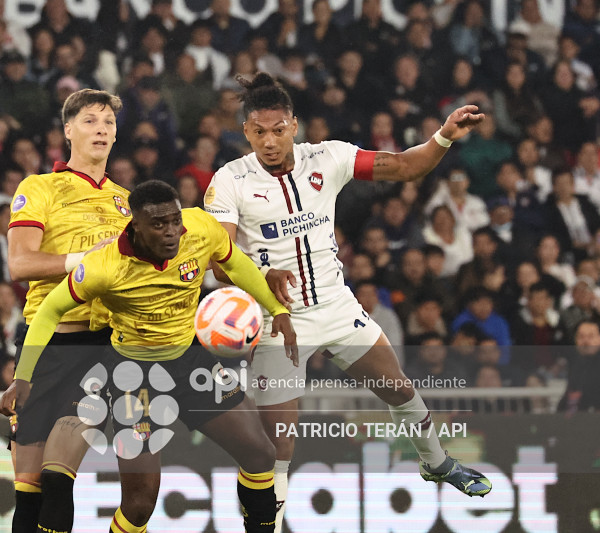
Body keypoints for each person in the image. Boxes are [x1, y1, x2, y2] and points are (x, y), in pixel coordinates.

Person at [206, 73, 492, 532]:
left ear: (294, 125)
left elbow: (403, 166)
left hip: (336, 307)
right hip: (277, 319)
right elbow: (220, 259)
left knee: (399, 389)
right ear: (246, 131)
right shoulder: (230, 180)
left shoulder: (329, 157)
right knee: (277, 451)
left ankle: (436, 463)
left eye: (278, 129)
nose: (270, 141)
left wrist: (442, 137)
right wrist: (261, 277)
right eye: (259, 132)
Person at [1, 180, 296, 533]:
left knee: (261, 454)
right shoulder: (103, 267)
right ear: (135, 226)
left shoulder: (200, 228)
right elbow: (49, 311)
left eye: (175, 221)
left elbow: (235, 264)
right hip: (133, 376)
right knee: (140, 505)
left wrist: (276, 308)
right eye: (159, 225)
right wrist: (23, 378)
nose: (172, 232)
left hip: (191, 361)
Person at [2, 88, 133, 533]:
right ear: (68, 130)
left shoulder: (128, 202)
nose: (101, 129)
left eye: (108, 123)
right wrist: (81, 262)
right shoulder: (39, 187)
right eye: (91, 121)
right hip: (49, 342)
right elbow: (20, 264)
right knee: (30, 487)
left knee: (60, 478)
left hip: (101, 347)